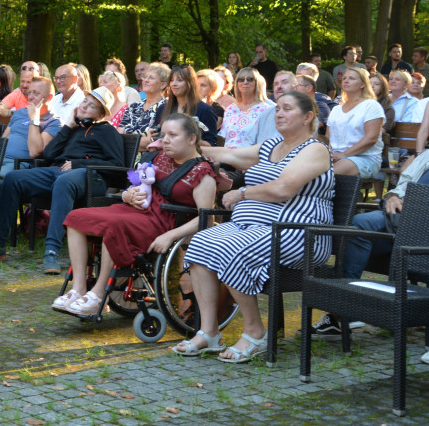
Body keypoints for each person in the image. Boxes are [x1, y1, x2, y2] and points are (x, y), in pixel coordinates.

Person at [175, 91, 334, 363]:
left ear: (308, 117)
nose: (279, 113)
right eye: (278, 109)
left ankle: (255, 332)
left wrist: (242, 194)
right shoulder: (272, 145)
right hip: (252, 227)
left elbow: (284, 188)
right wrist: (183, 146)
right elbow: (227, 153)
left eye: (287, 109)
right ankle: (209, 331)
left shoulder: (315, 149)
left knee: (231, 249)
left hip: (297, 233)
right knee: (201, 243)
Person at [309, 101, 429, 366]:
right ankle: (346, 307)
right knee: (360, 223)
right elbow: (404, 182)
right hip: (406, 220)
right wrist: (393, 196)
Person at [54, 114, 216, 317]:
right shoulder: (157, 157)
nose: (165, 140)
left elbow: (207, 219)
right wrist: (128, 194)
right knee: (76, 218)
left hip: (163, 223)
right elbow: (133, 184)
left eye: (173, 135)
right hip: (134, 211)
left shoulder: (202, 173)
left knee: (114, 225)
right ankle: (78, 287)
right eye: (163, 134)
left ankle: (97, 294)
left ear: (192, 138)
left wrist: (170, 236)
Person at [0, 87, 123, 274]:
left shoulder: (107, 131)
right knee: (12, 178)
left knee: (64, 182)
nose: (84, 107)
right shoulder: (73, 128)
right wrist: (68, 127)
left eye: (91, 107)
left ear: (100, 114)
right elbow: (49, 154)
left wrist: (79, 164)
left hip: (91, 178)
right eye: (85, 102)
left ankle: (51, 252)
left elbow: (117, 165)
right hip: (57, 172)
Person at [327, 67, 385, 178]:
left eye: (351, 78)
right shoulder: (336, 109)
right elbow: (328, 137)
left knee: (327, 175)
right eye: (344, 78)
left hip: (364, 158)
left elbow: (371, 138)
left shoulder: (371, 106)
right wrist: (330, 155)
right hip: (336, 157)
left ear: (363, 84)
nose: (346, 80)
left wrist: (343, 155)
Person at [0, 77, 62, 176]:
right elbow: (3, 141)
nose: (31, 97)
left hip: (19, 165)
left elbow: (35, 152)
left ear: (49, 97)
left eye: (36, 93)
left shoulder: (54, 122)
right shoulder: (20, 112)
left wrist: (34, 119)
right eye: (29, 93)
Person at [152, 65, 218, 146]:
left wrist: (189, 139)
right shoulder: (162, 108)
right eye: (172, 80)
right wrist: (152, 135)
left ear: (190, 83)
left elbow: (211, 144)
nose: (174, 84)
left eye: (179, 80)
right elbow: (154, 137)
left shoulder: (205, 110)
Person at [220, 68, 273, 149]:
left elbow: (267, 142)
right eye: (241, 79)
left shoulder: (266, 110)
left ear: (257, 83)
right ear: (237, 83)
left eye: (250, 79)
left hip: (251, 158)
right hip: (227, 157)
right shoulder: (230, 109)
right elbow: (223, 138)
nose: (245, 82)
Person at [119, 63, 169, 135]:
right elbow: (119, 133)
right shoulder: (134, 106)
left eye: (151, 78)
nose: (145, 80)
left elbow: (153, 139)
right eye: (145, 77)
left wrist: (127, 136)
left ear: (163, 85)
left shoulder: (165, 107)